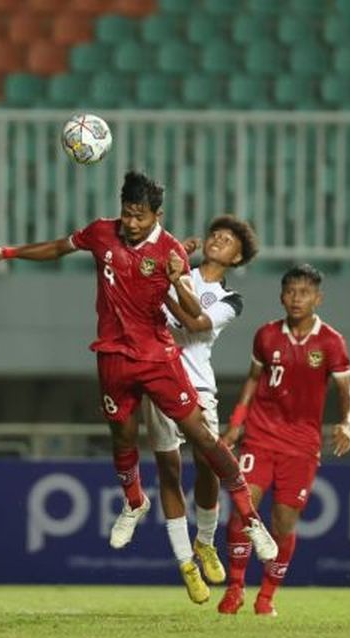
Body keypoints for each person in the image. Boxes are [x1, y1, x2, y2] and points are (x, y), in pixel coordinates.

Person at [0, 171, 278, 577]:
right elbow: (59, 247)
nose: (132, 223)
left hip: (160, 359)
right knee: (126, 437)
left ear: (158, 215)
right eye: (127, 213)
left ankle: (250, 522)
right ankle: (136, 502)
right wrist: (9, 253)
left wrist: (177, 281)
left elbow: (195, 319)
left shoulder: (180, 258)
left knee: (205, 442)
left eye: (141, 216)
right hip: (113, 356)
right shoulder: (103, 233)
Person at [217, 264, 350, 616]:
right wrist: (236, 423)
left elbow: (346, 391)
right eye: (291, 292)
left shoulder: (331, 342)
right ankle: (234, 589)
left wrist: (346, 423)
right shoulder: (266, 335)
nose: (297, 299)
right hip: (260, 436)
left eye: (304, 292)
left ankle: (266, 597)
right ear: (282, 296)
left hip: (301, 445)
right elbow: (252, 380)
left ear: (318, 298)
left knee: (282, 523)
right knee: (242, 509)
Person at [138, 215, 259, 603]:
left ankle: (205, 541)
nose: (218, 240)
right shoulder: (176, 267)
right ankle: (186, 562)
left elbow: (199, 325)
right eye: (216, 235)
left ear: (237, 258)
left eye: (228, 240)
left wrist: (173, 280)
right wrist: (169, 261)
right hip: (158, 378)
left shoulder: (230, 298)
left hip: (198, 384)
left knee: (208, 461)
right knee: (168, 470)